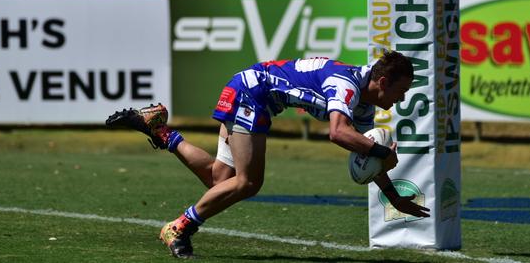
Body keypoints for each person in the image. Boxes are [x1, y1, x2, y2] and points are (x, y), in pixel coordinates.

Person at [106, 50, 430, 259]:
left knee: (220, 179)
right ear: (383, 81)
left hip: (248, 88)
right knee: (248, 183)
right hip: (252, 95)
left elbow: (363, 146)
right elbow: (338, 133)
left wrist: (393, 195)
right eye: (401, 91)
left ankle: (161, 132)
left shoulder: (362, 102)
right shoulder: (346, 85)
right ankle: (179, 227)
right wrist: (381, 152)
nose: (400, 99)